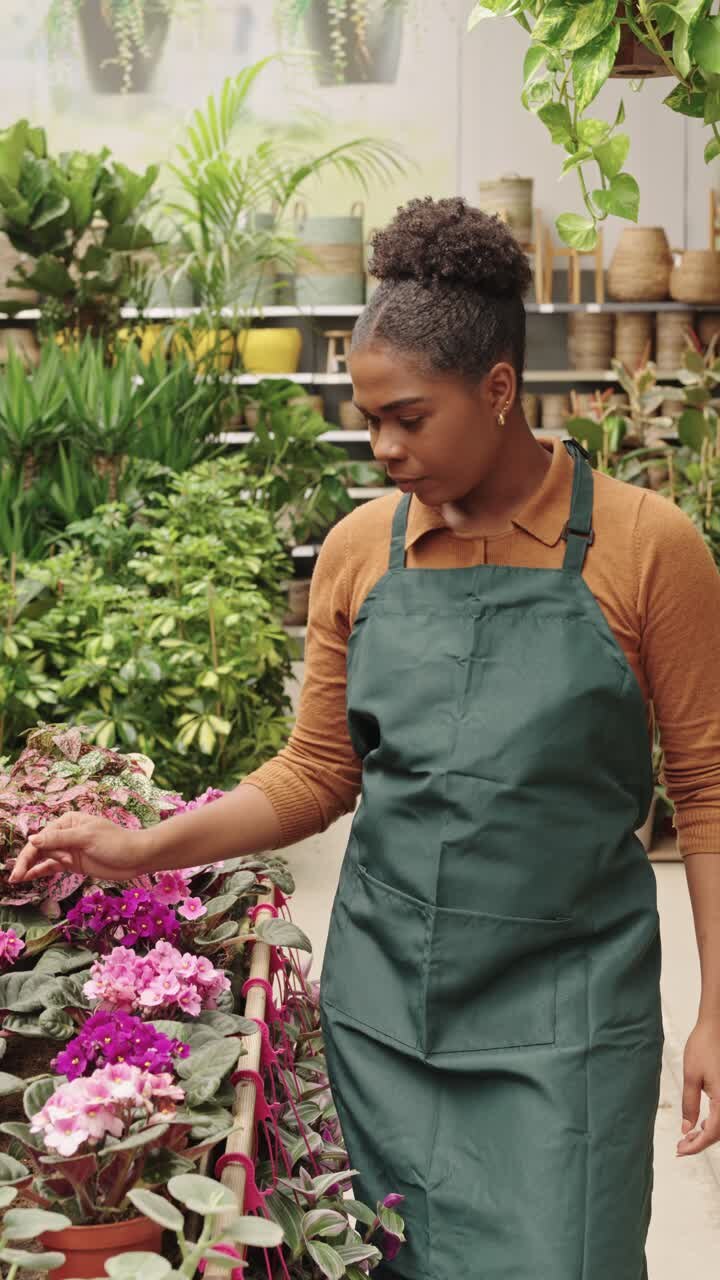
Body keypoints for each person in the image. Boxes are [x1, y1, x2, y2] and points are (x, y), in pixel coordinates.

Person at [10, 197, 720, 1279]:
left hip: (567, 1031)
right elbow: (318, 770)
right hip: (384, 1020)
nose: (382, 446)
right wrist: (145, 844)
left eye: (408, 417)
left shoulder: (645, 548)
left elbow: (709, 788)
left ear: (497, 388)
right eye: (369, 416)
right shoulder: (360, 550)